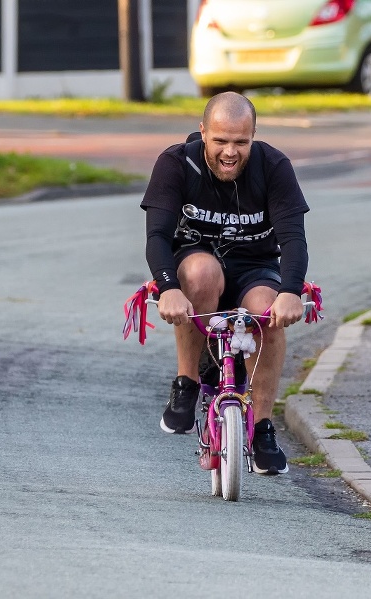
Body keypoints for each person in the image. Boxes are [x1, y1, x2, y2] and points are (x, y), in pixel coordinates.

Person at [140, 91, 309, 475]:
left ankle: (263, 426)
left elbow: (294, 239)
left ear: (253, 137)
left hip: (255, 266)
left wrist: (290, 292)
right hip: (197, 263)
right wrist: (167, 288)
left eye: (240, 142)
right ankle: (187, 382)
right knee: (202, 274)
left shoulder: (274, 165)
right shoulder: (175, 163)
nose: (230, 152)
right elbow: (157, 238)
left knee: (267, 309)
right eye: (220, 141)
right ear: (203, 132)